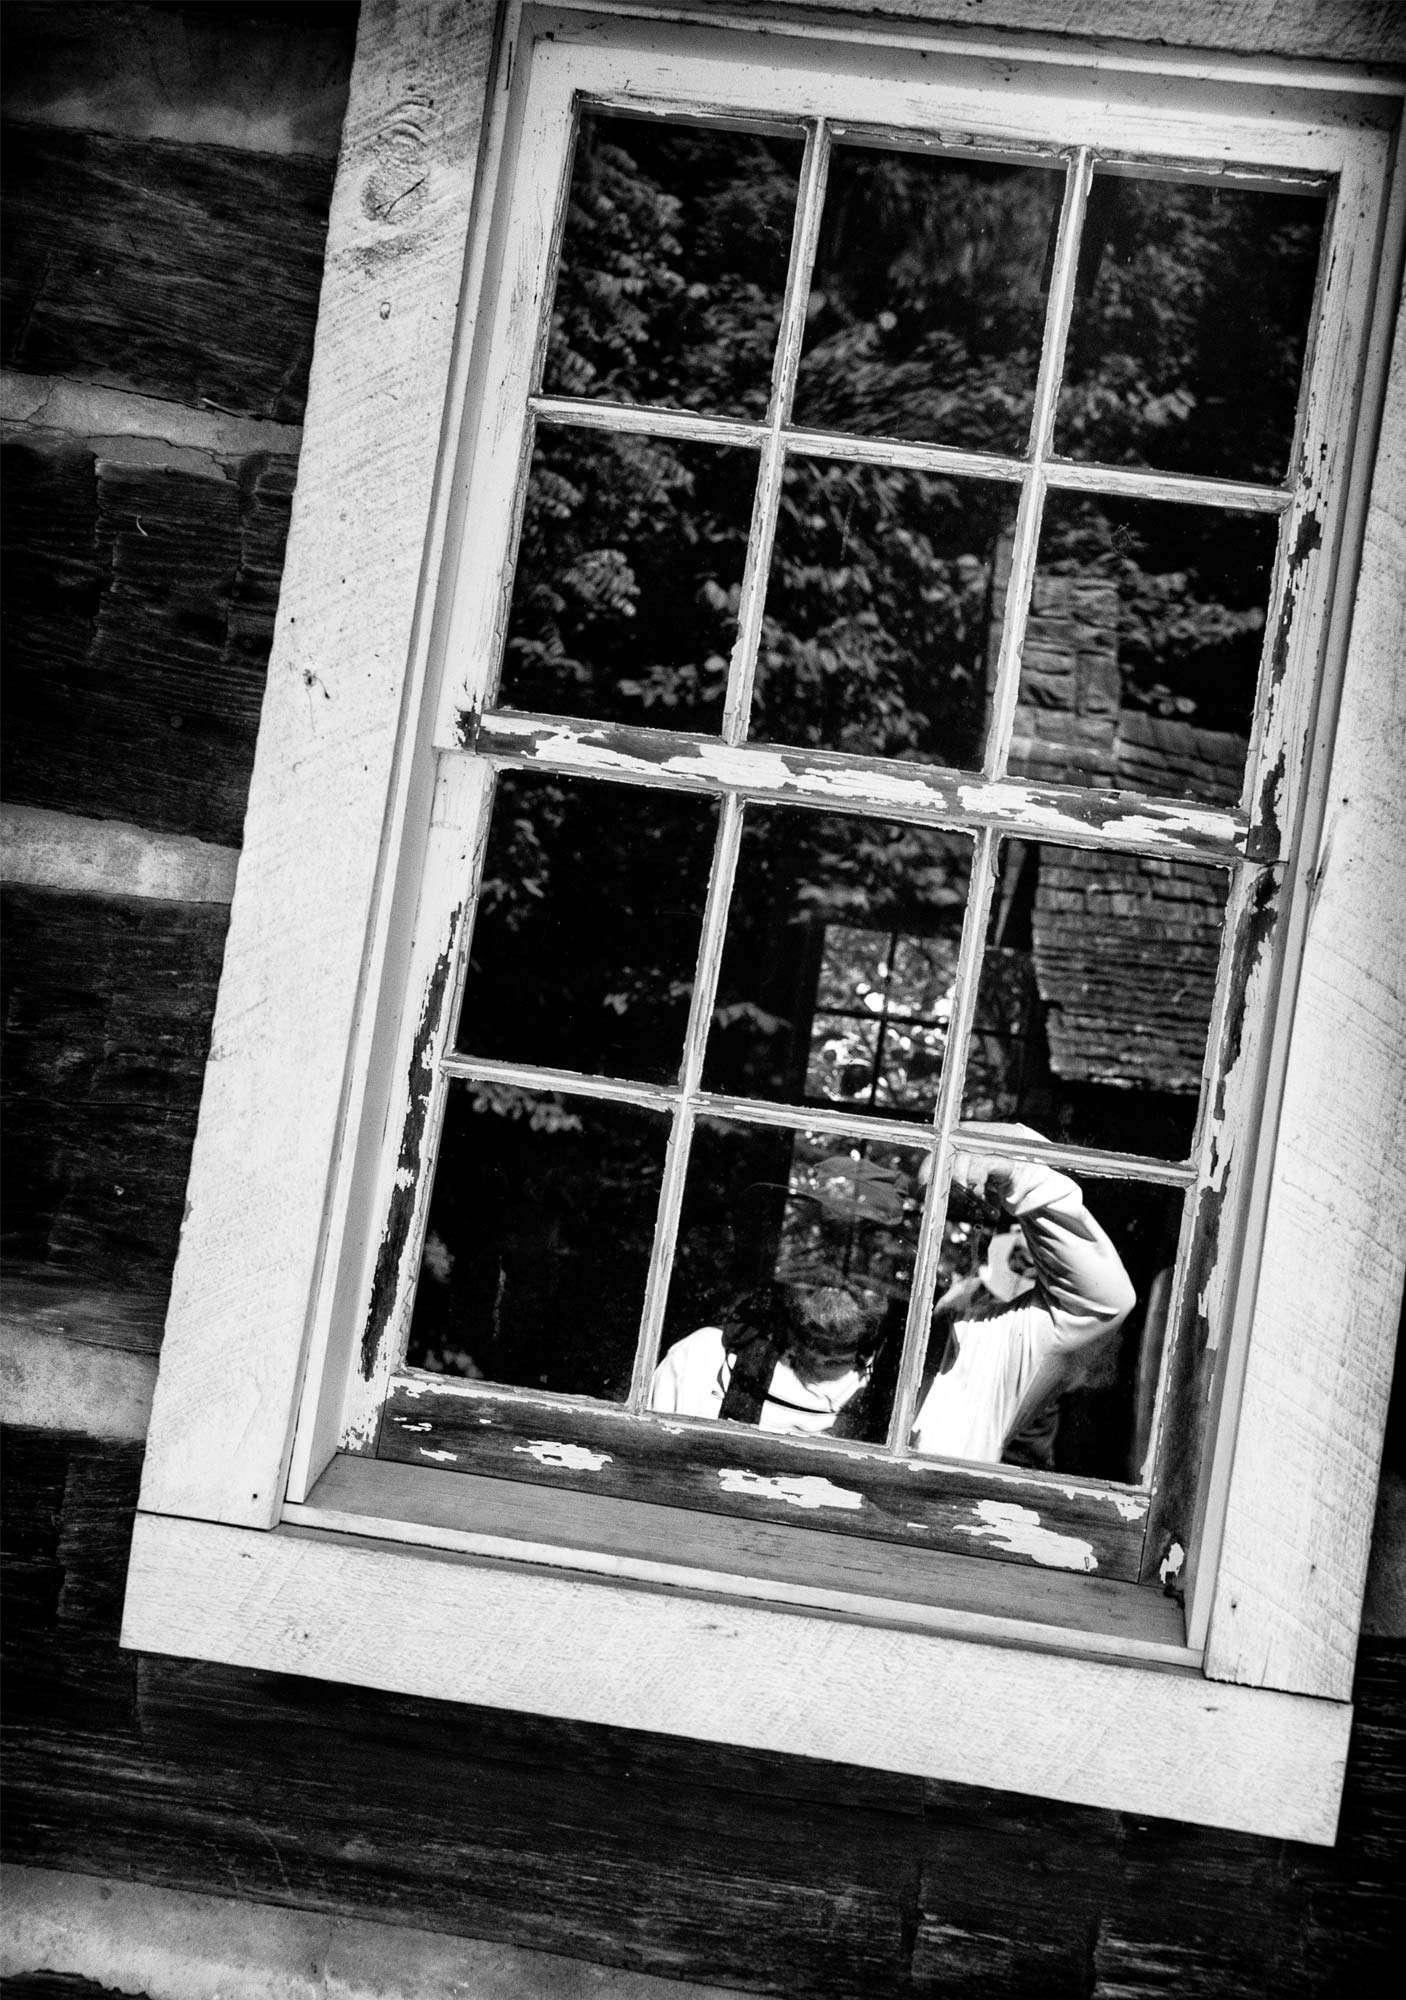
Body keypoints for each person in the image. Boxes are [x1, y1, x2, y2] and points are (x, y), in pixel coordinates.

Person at [647, 1125, 1136, 1466]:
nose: (840, 1267)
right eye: (826, 1239)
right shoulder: (702, 1363)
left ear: (903, 1266)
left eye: (869, 1247)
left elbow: (1099, 1304)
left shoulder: (965, 1365)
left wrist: (1019, 1173)